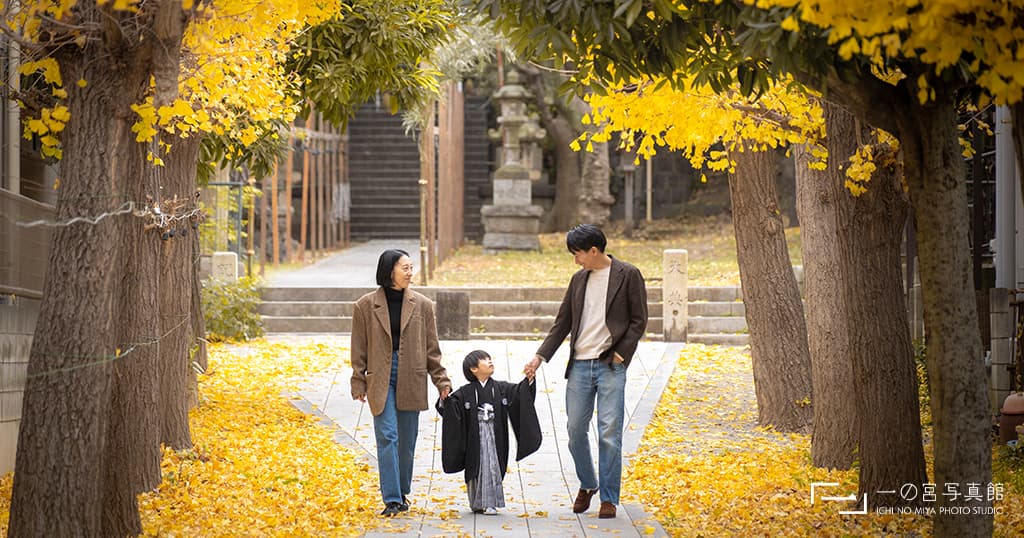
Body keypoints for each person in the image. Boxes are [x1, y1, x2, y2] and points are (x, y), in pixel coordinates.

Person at [523, 224, 648, 519]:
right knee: (575, 431)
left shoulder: (627, 274)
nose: (576, 260)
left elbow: (639, 320)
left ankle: (608, 497)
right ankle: (588, 483)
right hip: (579, 365)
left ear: (594, 250)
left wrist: (621, 354)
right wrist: (540, 357)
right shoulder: (578, 280)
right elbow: (562, 323)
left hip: (610, 365)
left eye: (577, 254)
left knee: (609, 433)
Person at [351, 249, 452, 517]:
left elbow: (432, 349)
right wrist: (358, 382)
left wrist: (442, 381)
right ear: (389, 271)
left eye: (410, 267)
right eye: (405, 268)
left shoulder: (423, 305)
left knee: (406, 441)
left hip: (412, 374)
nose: (410, 272)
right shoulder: (364, 305)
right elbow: (358, 348)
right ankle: (392, 499)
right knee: (387, 436)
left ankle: (402, 490)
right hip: (380, 377)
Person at [436, 350, 541, 515]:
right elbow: (451, 407)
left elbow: (520, 393)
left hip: (494, 436)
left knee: (492, 465)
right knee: (476, 467)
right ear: (473, 369)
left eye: (490, 359)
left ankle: (491, 502)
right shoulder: (465, 392)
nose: (490, 361)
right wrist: (445, 398)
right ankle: (477, 502)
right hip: (475, 439)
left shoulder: (501, 388)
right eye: (484, 360)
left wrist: (529, 380)